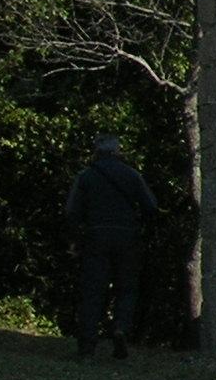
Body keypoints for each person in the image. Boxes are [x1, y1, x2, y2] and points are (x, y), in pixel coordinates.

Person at [64, 135, 158, 359]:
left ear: (96, 151)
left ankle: (87, 346)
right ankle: (121, 328)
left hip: (95, 235)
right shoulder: (132, 175)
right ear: (118, 152)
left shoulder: (86, 176)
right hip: (127, 237)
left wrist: (74, 239)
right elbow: (151, 206)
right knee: (127, 288)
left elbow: (71, 211)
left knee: (93, 290)